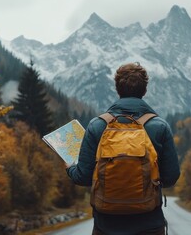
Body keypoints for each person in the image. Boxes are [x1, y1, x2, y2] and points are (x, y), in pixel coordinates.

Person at [66, 62, 180, 235]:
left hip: (106, 225)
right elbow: (171, 177)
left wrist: (70, 168)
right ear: (145, 90)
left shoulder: (97, 126)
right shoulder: (159, 126)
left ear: (117, 89)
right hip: (149, 223)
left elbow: (82, 177)